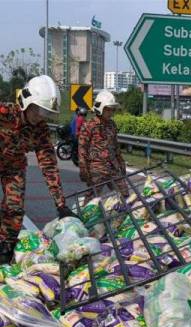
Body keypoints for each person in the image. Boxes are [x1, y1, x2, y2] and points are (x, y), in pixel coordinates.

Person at [0, 75, 76, 263]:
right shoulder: (4, 113)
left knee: (15, 208)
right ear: (27, 102)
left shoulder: (40, 129)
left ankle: (5, 250)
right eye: (38, 110)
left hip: (13, 167)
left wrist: (61, 205)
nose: (40, 116)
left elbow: (49, 165)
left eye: (45, 112)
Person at [78, 90, 128, 204]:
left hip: (113, 167)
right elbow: (82, 149)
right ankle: (85, 220)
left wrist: (121, 162)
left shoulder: (112, 125)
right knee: (91, 199)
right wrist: (83, 169)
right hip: (96, 168)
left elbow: (116, 146)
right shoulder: (89, 125)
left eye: (112, 109)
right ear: (100, 108)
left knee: (124, 195)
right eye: (108, 109)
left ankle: (122, 218)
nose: (111, 112)